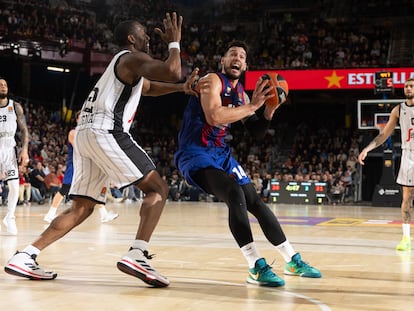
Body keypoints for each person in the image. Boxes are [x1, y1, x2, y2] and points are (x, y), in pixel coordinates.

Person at [5, 12, 198, 287]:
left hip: (86, 133)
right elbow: (171, 70)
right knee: (158, 189)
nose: (148, 36)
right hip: (107, 130)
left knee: (82, 208)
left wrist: (181, 89)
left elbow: (151, 87)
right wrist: (175, 43)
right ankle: (137, 253)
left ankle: (25, 255)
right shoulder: (130, 57)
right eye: (143, 32)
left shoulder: (124, 67)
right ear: (132, 38)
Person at [174, 40, 321, 287]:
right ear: (223, 61)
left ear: (246, 66)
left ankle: (291, 259)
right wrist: (252, 105)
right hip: (195, 153)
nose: (237, 58)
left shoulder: (241, 92)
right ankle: (255, 266)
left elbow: (257, 133)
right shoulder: (212, 80)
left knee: (253, 200)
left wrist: (269, 110)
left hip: (221, 153)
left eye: (242, 56)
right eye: (232, 54)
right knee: (234, 193)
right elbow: (214, 116)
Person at [358, 77, 414, 251]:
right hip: (409, 155)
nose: (409, 88)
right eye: (406, 86)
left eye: (412, 86)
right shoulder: (398, 110)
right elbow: (384, 135)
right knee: (407, 199)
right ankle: (406, 238)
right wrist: (367, 148)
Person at [44, 112, 118, 224]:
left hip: (85, 165)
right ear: (77, 119)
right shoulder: (73, 132)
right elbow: (79, 148)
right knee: (65, 189)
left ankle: (104, 214)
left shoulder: (87, 133)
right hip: (74, 164)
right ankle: (50, 214)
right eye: (81, 117)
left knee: (95, 188)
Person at [0, 77, 29, 235]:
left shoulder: (15, 106)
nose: (3, 87)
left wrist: (24, 150)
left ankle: (10, 217)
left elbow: (24, 130)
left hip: (9, 149)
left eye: (5, 84)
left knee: (14, 186)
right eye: (0, 85)